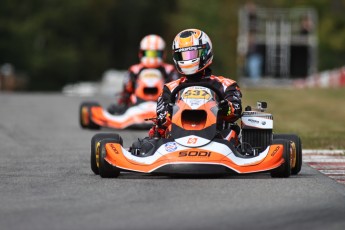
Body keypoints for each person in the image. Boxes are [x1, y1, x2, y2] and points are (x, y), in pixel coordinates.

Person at [148, 29, 242, 141]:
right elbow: (161, 118)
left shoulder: (226, 85)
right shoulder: (170, 88)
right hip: (176, 141)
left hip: (218, 140)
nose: (187, 59)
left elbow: (236, 111)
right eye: (182, 55)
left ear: (205, 52)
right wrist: (169, 111)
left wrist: (225, 107)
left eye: (191, 54)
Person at [108, 34, 179, 114]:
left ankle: (168, 109)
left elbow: (176, 90)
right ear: (142, 53)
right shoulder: (134, 69)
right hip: (137, 103)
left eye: (156, 54)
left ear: (162, 54)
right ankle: (125, 108)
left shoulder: (169, 70)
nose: (152, 58)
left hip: (163, 103)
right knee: (128, 87)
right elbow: (126, 91)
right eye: (149, 54)